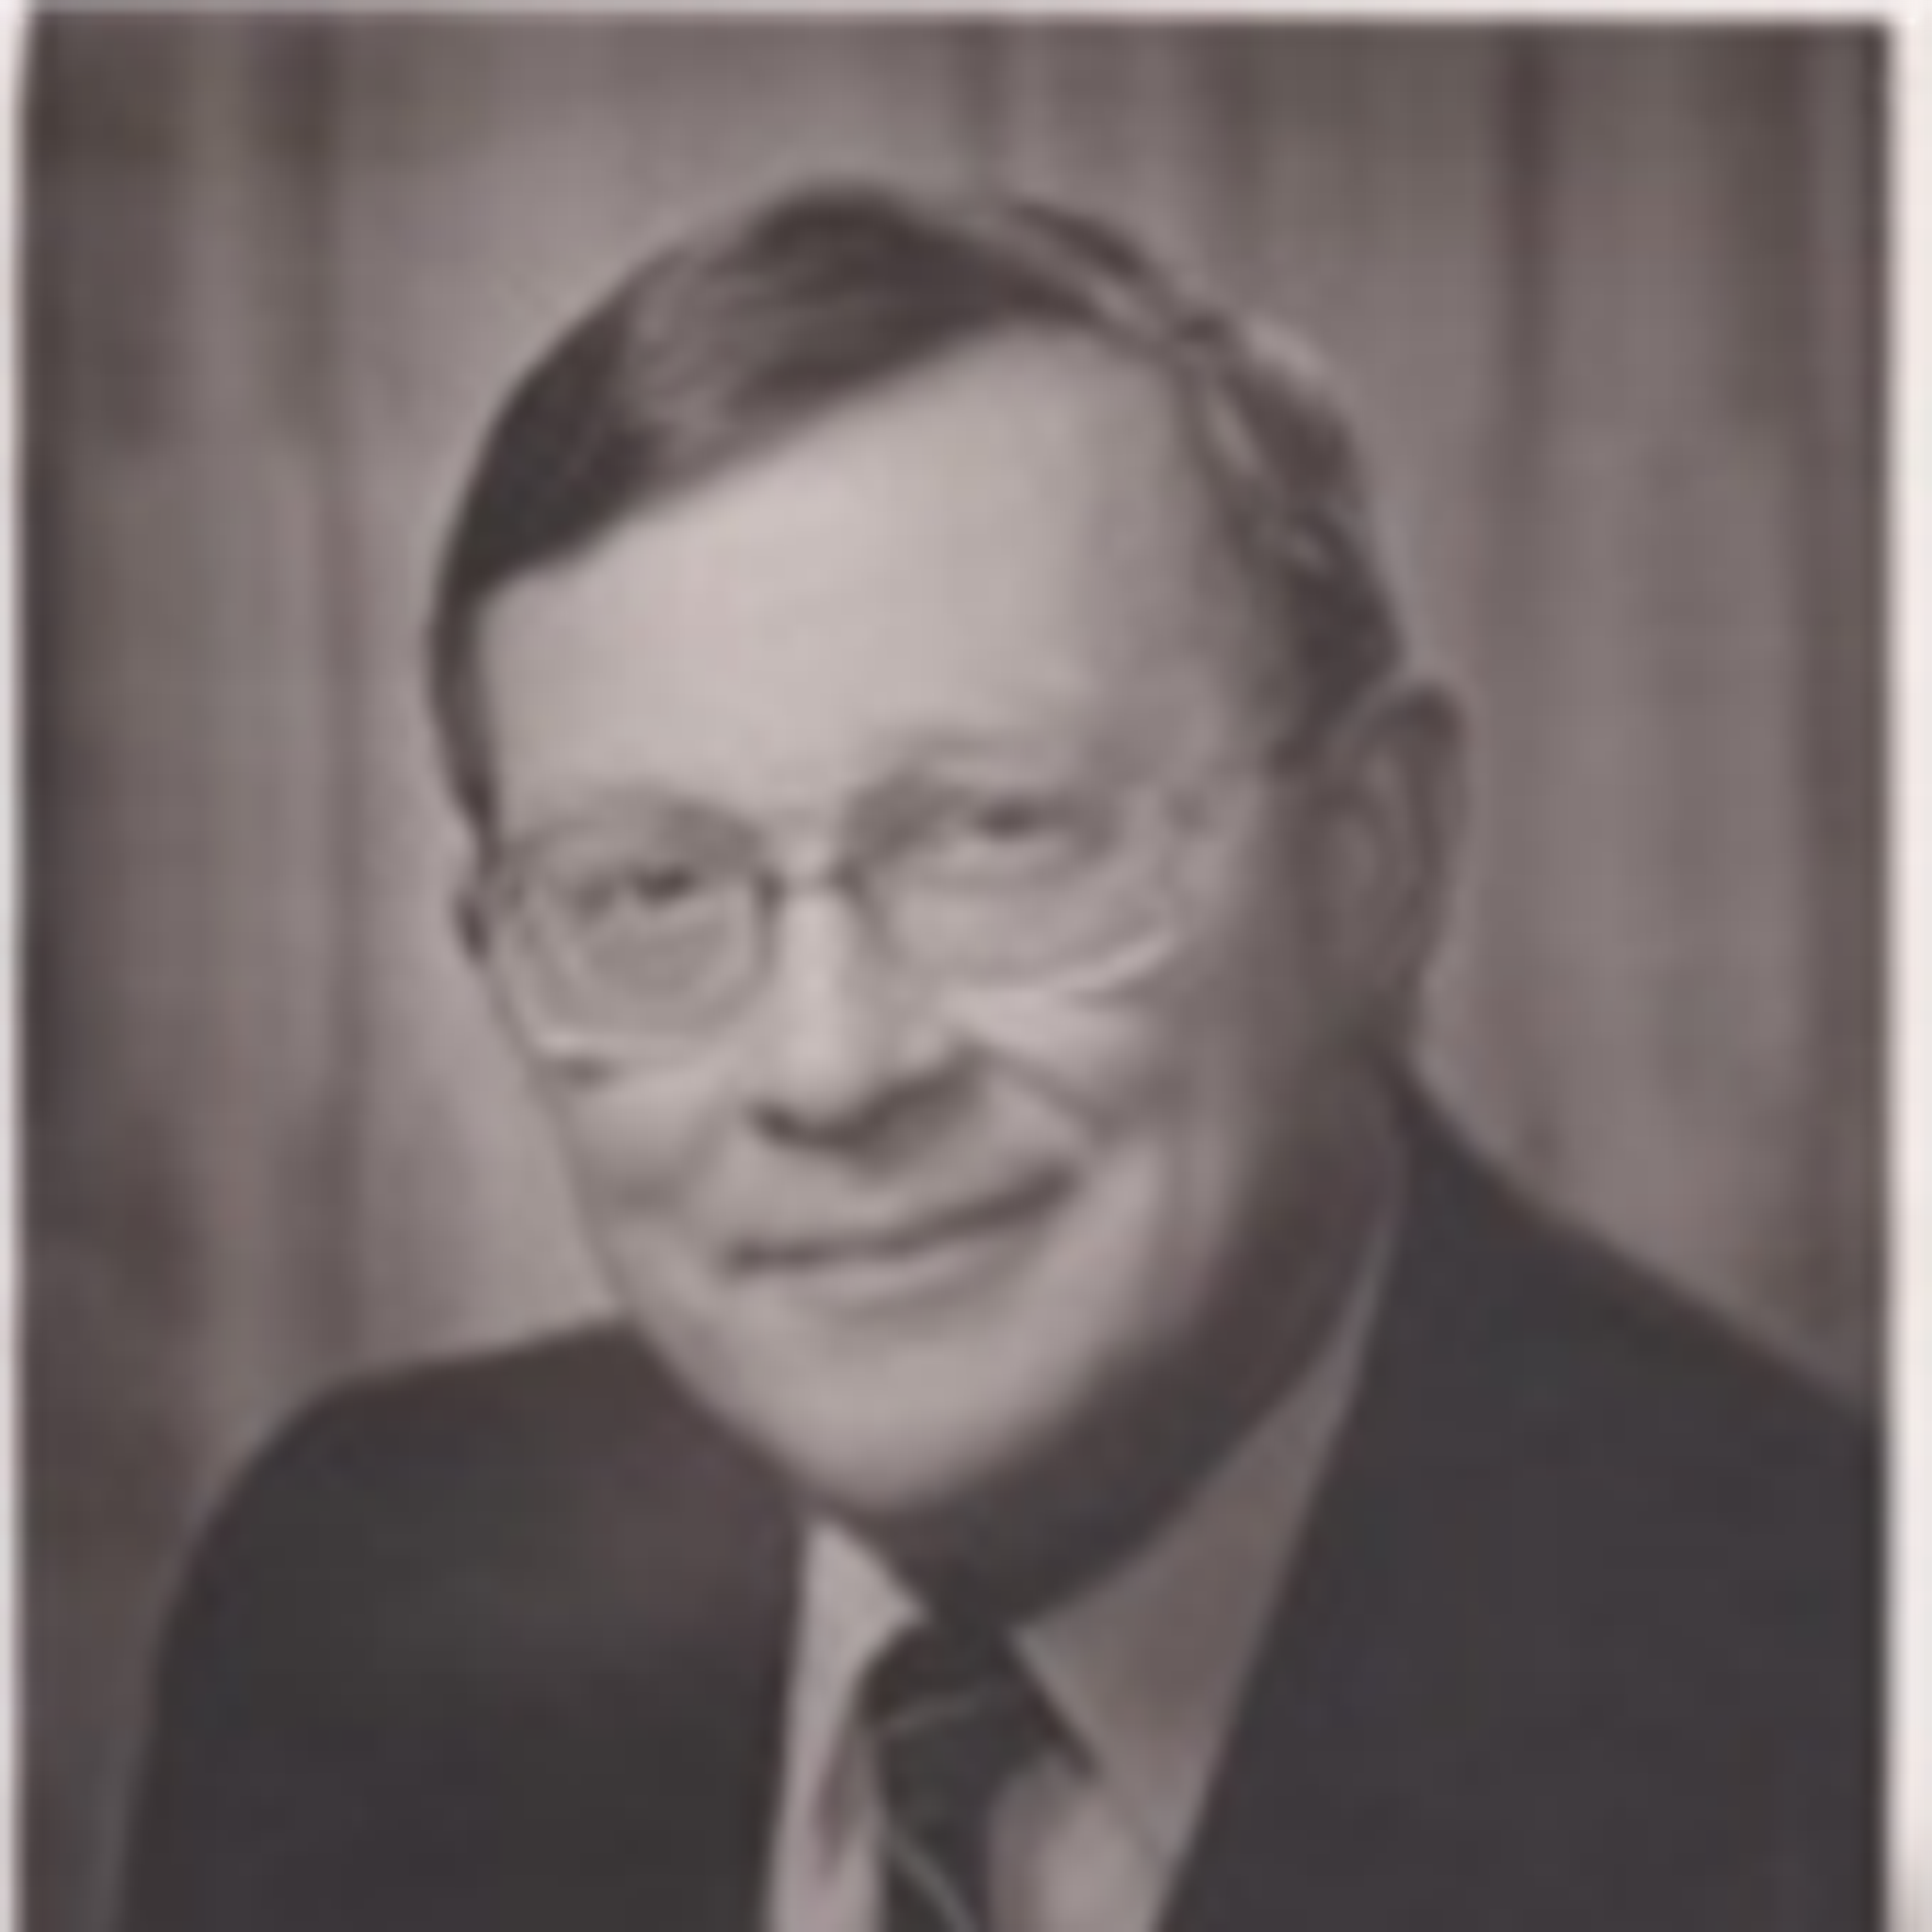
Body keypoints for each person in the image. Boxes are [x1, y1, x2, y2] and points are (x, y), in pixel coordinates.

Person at [120, 183, 1875, 1932]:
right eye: (647, 888)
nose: (830, 1071)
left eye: (996, 833)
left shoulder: (1842, 1708)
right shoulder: (363, 1606)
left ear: (1370, 862)